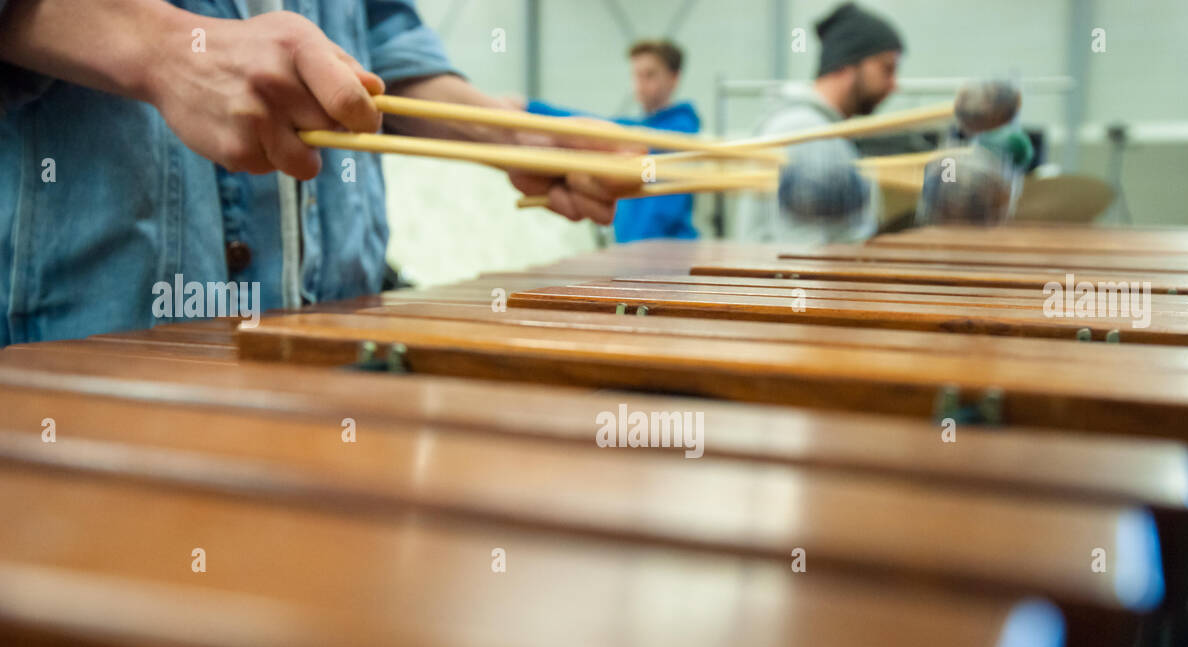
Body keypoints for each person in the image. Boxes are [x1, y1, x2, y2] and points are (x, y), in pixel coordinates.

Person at [0, 0, 634, 344]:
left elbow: (377, 33)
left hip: (338, 333)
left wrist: (505, 131)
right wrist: (163, 48)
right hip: (96, 343)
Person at [732, 2, 904, 244]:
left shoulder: (822, 129)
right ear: (848, 64)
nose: (894, 84)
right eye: (887, 68)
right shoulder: (806, 131)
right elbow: (803, 249)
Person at [524, 39, 700, 242]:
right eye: (636, 75)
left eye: (650, 75)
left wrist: (529, 108)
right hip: (632, 252)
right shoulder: (638, 129)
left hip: (667, 253)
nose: (640, 84)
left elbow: (599, 127)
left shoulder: (681, 130)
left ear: (674, 78)